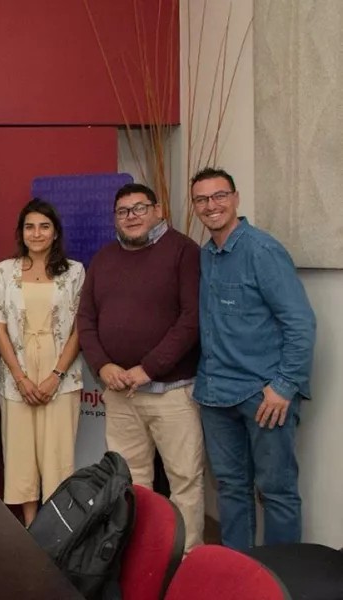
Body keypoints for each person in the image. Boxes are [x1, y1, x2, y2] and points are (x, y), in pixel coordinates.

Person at [191, 167, 316, 549]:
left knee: (276, 491)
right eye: (201, 199)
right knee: (231, 489)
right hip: (215, 394)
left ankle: (282, 575)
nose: (211, 205)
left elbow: (300, 322)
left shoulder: (262, 250)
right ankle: (240, 572)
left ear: (235, 198)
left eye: (219, 196)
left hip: (262, 397)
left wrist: (284, 386)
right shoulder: (207, 255)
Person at [77, 183, 205, 552]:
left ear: (158, 210)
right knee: (131, 481)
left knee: (184, 479)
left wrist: (147, 369)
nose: (131, 216)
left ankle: (187, 560)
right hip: (119, 393)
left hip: (172, 393)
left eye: (139, 208)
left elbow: (191, 319)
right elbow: (86, 320)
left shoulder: (184, 251)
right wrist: (102, 366)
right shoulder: (103, 259)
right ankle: (141, 557)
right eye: (123, 211)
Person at [0, 199, 85, 526]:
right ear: (21, 232)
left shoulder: (74, 271)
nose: (37, 233)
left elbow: (79, 329)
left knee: (57, 455)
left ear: (55, 232)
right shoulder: (5, 270)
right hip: (16, 374)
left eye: (44, 226)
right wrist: (20, 378)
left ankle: (55, 529)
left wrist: (56, 375)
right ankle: (31, 526)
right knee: (21, 455)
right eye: (29, 227)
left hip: (61, 374)